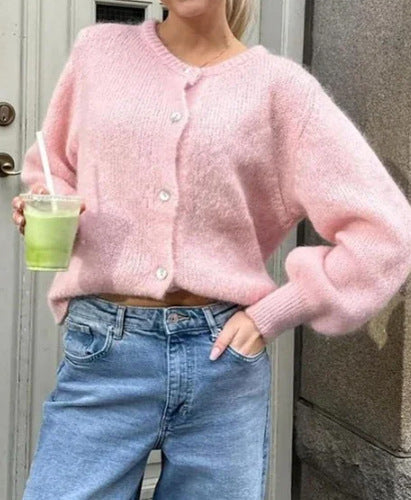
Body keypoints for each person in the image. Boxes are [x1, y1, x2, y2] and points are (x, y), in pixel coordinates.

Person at [12, 0, 411, 499]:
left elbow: (386, 231)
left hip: (222, 361)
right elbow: (52, 168)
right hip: (106, 350)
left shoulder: (280, 89)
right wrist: (49, 207)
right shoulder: (100, 52)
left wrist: (274, 313)